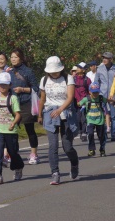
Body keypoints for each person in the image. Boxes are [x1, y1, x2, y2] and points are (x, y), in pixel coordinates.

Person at [38, 56, 79, 185]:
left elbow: (71, 97)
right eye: (51, 71)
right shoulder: (44, 80)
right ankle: (55, 173)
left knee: (67, 147)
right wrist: (39, 114)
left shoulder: (68, 78)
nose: (54, 73)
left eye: (56, 70)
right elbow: (42, 99)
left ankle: (74, 163)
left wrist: (60, 109)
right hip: (50, 114)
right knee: (53, 146)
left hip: (66, 113)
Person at [0, 71, 24, 184]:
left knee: (12, 152)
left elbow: (18, 114)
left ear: (10, 85)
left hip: (11, 130)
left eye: (5, 84)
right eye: (0, 84)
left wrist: (13, 123)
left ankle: (18, 167)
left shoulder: (13, 98)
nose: (2, 87)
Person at [8, 49, 40, 164]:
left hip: (26, 103)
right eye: (11, 57)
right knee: (12, 131)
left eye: (15, 57)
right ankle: (12, 155)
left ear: (21, 58)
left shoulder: (28, 71)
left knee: (30, 130)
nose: (13, 59)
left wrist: (23, 89)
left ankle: (34, 154)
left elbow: (36, 88)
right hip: (13, 104)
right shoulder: (9, 72)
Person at [77, 82, 107, 157]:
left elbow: (108, 100)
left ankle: (102, 149)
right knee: (90, 134)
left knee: (101, 136)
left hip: (100, 120)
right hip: (90, 120)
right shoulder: (86, 99)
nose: (95, 94)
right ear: (90, 92)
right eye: (94, 92)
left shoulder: (100, 98)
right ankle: (91, 149)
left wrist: (114, 101)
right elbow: (79, 103)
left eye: (97, 92)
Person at [97, 52, 115, 141]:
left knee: (113, 116)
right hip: (102, 95)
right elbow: (96, 82)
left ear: (111, 59)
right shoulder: (100, 69)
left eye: (106, 58)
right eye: (103, 58)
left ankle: (114, 135)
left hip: (113, 95)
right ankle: (104, 134)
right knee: (102, 116)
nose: (104, 59)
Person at [73, 62, 90, 142]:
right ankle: (80, 131)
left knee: (83, 119)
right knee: (77, 119)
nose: (77, 69)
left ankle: (83, 133)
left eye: (79, 68)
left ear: (83, 70)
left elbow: (90, 92)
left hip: (84, 103)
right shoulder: (73, 79)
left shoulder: (87, 80)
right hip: (75, 102)